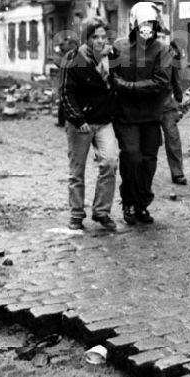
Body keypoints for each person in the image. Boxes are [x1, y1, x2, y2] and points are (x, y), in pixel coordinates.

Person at [109, 2, 172, 226]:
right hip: (126, 115)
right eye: (144, 23)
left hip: (151, 116)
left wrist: (128, 86)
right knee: (132, 157)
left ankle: (142, 204)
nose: (148, 28)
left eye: (151, 23)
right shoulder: (119, 47)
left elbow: (161, 82)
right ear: (134, 24)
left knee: (148, 162)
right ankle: (128, 202)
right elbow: (111, 77)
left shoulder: (163, 50)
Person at [60, 17, 118, 231]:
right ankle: (76, 214)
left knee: (110, 162)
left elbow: (116, 84)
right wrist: (77, 119)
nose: (101, 41)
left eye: (104, 36)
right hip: (81, 122)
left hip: (103, 120)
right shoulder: (73, 58)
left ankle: (101, 212)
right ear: (86, 38)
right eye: (95, 37)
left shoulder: (110, 59)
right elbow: (66, 92)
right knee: (77, 169)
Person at [159, 34, 187, 185]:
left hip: (167, 105)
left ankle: (177, 173)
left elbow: (176, 81)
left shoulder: (171, 56)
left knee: (173, 137)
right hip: (149, 105)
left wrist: (179, 101)